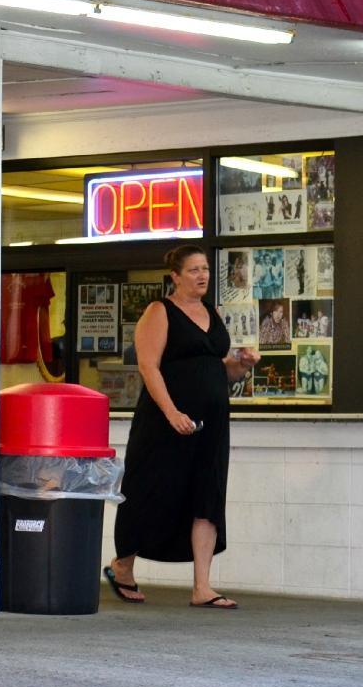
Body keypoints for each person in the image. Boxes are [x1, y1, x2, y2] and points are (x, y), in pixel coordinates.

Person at [107, 244, 258, 610]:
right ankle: (122, 566)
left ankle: (202, 586)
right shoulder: (159, 312)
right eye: (193, 270)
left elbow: (217, 368)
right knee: (151, 491)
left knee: (207, 494)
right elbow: (148, 366)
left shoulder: (212, 312)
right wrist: (172, 412)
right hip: (164, 422)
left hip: (211, 424)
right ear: (175, 276)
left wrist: (242, 364)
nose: (202, 275)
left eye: (205, 269)